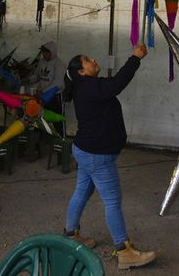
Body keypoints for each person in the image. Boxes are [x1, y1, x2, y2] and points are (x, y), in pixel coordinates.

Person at [63, 44, 157, 270]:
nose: (93, 60)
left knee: (81, 192)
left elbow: (112, 86)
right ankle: (124, 252)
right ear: (81, 72)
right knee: (112, 201)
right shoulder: (89, 86)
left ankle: (70, 234)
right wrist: (135, 58)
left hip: (86, 151)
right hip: (96, 155)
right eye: (87, 60)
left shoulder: (86, 86)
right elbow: (118, 83)